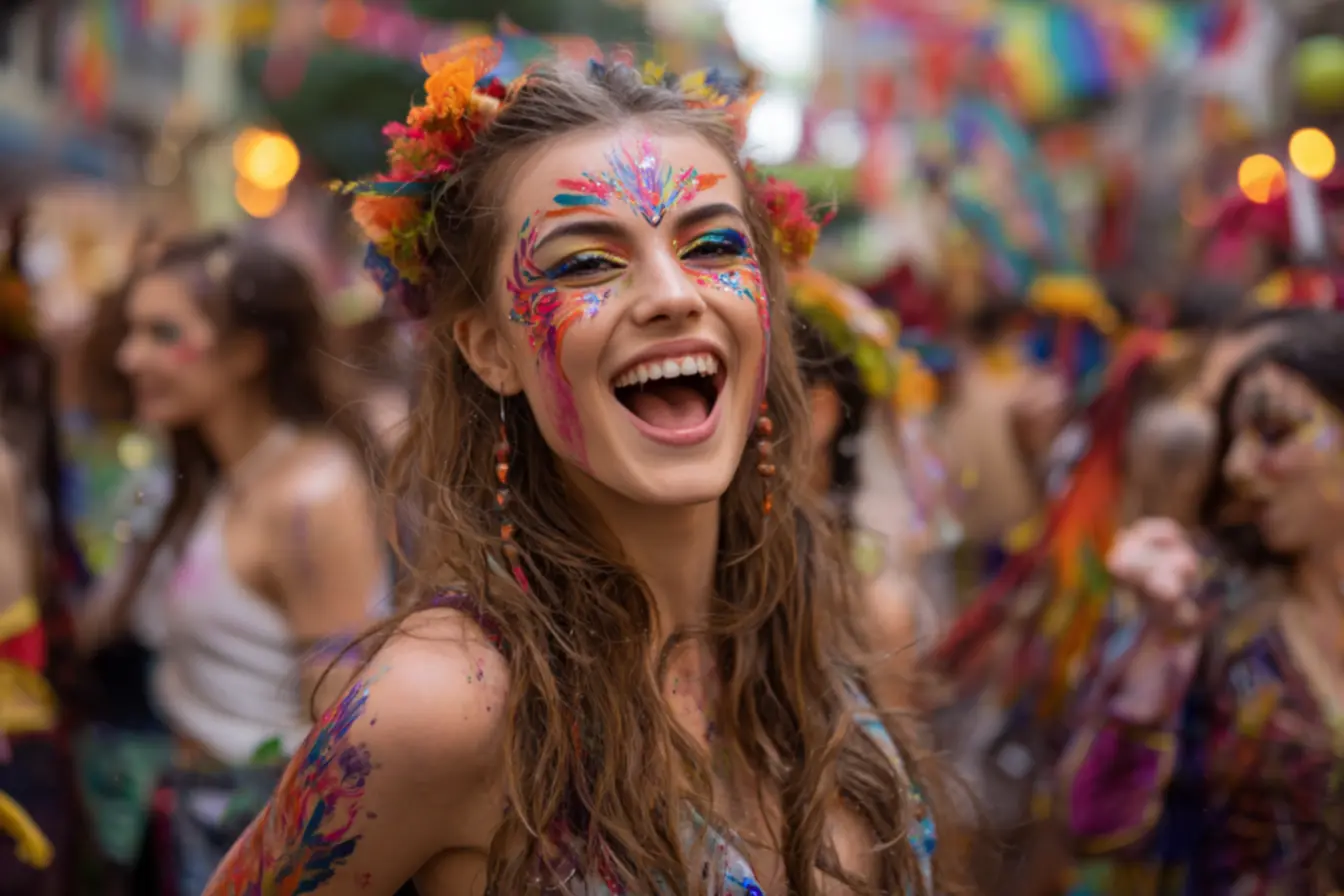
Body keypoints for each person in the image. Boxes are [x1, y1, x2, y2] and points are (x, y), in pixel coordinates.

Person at [205, 43, 945, 895]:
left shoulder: (817, 626)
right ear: (491, 350)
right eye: (588, 262)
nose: (674, 293)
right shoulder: (445, 706)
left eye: (711, 246)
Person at [78, 230, 389, 894]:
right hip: (195, 811)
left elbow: (342, 734)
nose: (131, 357)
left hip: (262, 833)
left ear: (246, 352)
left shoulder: (310, 498)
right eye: (131, 332)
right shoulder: (218, 474)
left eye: (162, 333)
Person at [1056, 310, 1344, 894]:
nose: (1238, 467)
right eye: (1232, 439)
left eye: (1275, 433)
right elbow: (1093, 825)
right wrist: (1156, 656)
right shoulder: (1200, 597)